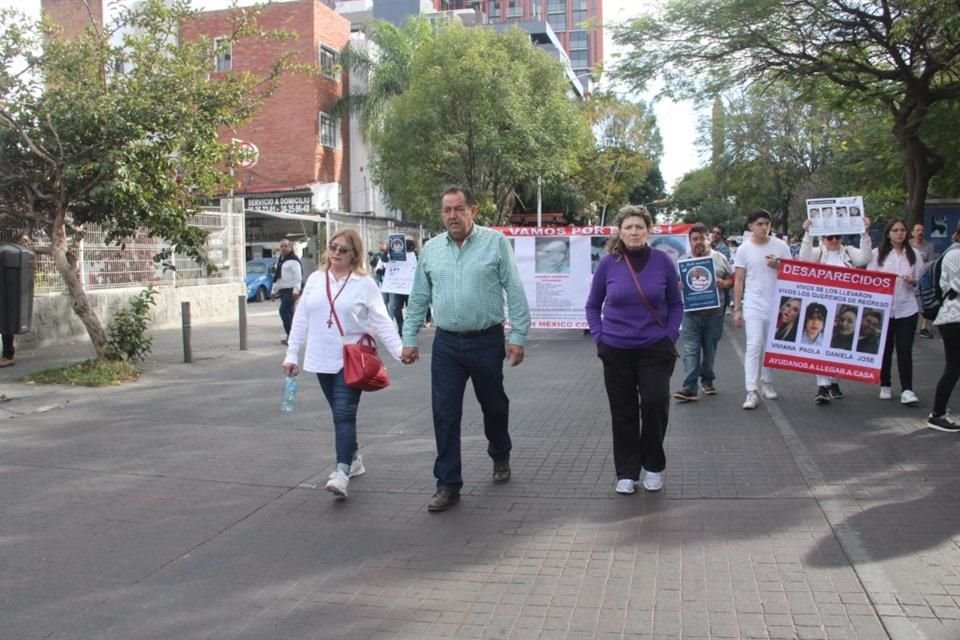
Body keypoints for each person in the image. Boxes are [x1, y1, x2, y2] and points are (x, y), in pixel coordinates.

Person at [400, 187, 530, 513]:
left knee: (494, 406)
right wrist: (410, 338)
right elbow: (418, 298)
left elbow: (514, 289)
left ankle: (500, 452)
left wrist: (518, 336)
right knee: (444, 413)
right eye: (447, 210)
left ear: (474, 209)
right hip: (446, 344)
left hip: (486, 340)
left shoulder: (494, 242)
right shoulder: (431, 250)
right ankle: (447, 484)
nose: (452, 216)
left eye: (459, 209)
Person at [281, 229, 402, 499]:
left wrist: (400, 351)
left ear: (354, 254)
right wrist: (291, 355)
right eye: (333, 247)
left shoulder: (364, 283)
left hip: (351, 359)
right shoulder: (315, 279)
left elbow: (382, 320)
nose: (335, 253)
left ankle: (341, 472)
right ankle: (354, 456)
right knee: (338, 411)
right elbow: (300, 320)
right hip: (320, 358)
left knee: (343, 414)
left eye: (343, 249)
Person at [586, 205, 682, 495]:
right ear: (620, 231)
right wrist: (599, 339)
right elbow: (593, 305)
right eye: (628, 227)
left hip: (655, 348)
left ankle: (653, 465)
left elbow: (676, 304)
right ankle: (627, 471)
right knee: (623, 412)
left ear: (649, 230)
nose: (634, 232)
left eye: (639, 227)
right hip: (616, 350)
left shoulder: (663, 261)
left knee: (655, 404)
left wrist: (670, 334)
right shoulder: (608, 264)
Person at [799, 217, 873, 402]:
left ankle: (834, 381)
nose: (833, 241)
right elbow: (804, 257)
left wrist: (864, 233)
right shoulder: (818, 253)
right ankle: (822, 386)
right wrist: (808, 234)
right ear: (823, 238)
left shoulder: (847, 252)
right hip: (822, 305)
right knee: (821, 344)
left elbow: (865, 258)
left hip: (843, 306)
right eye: (829, 237)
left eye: (837, 237)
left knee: (838, 343)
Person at [733, 209, 793, 409]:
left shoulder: (781, 246)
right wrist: (737, 308)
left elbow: (793, 273)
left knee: (770, 347)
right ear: (750, 226)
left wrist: (779, 265)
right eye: (759, 224)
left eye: (767, 223)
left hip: (777, 304)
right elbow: (739, 279)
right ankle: (751, 390)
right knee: (754, 345)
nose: (764, 227)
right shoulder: (744, 249)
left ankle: (767, 382)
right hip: (753, 303)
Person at [673, 223, 733, 402]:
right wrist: (679, 285)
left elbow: (732, 279)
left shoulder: (720, 258)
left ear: (709, 239)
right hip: (691, 314)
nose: (698, 242)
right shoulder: (683, 261)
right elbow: (674, 283)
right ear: (690, 241)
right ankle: (689, 388)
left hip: (714, 313)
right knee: (691, 350)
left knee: (709, 350)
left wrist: (724, 283)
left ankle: (708, 380)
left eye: (702, 238)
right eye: (694, 239)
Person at [868, 219, 923, 405]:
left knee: (905, 349)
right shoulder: (878, 254)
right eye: (895, 230)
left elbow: (920, 281)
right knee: (885, 348)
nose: (899, 233)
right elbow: (871, 280)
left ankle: (907, 389)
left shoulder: (914, 254)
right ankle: (885, 383)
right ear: (888, 234)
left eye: (902, 230)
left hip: (907, 308)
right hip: (884, 309)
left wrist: (913, 281)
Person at [928, 222, 960, 432]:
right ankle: (937, 413)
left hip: (953, 317)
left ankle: (938, 412)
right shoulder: (954, 254)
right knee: (953, 367)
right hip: (953, 318)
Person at [271, 239, 302, 345]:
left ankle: (291, 335)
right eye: (281, 246)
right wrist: (273, 291)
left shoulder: (293, 260)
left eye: (285, 246)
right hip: (283, 291)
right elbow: (277, 277)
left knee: (283, 311)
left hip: (290, 291)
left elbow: (298, 277)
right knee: (289, 314)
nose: (283, 248)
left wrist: (296, 290)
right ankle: (292, 336)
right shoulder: (281, 260)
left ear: (290, 247)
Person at [911, 223, 939, 339]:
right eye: (917, 230)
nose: (920, 233)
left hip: (923, 276)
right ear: (912, 233)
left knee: (925, 300)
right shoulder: (907, 245)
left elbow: (931, 262)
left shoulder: (929, 246)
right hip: (909, 275)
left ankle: (924, 327)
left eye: (922, 230)